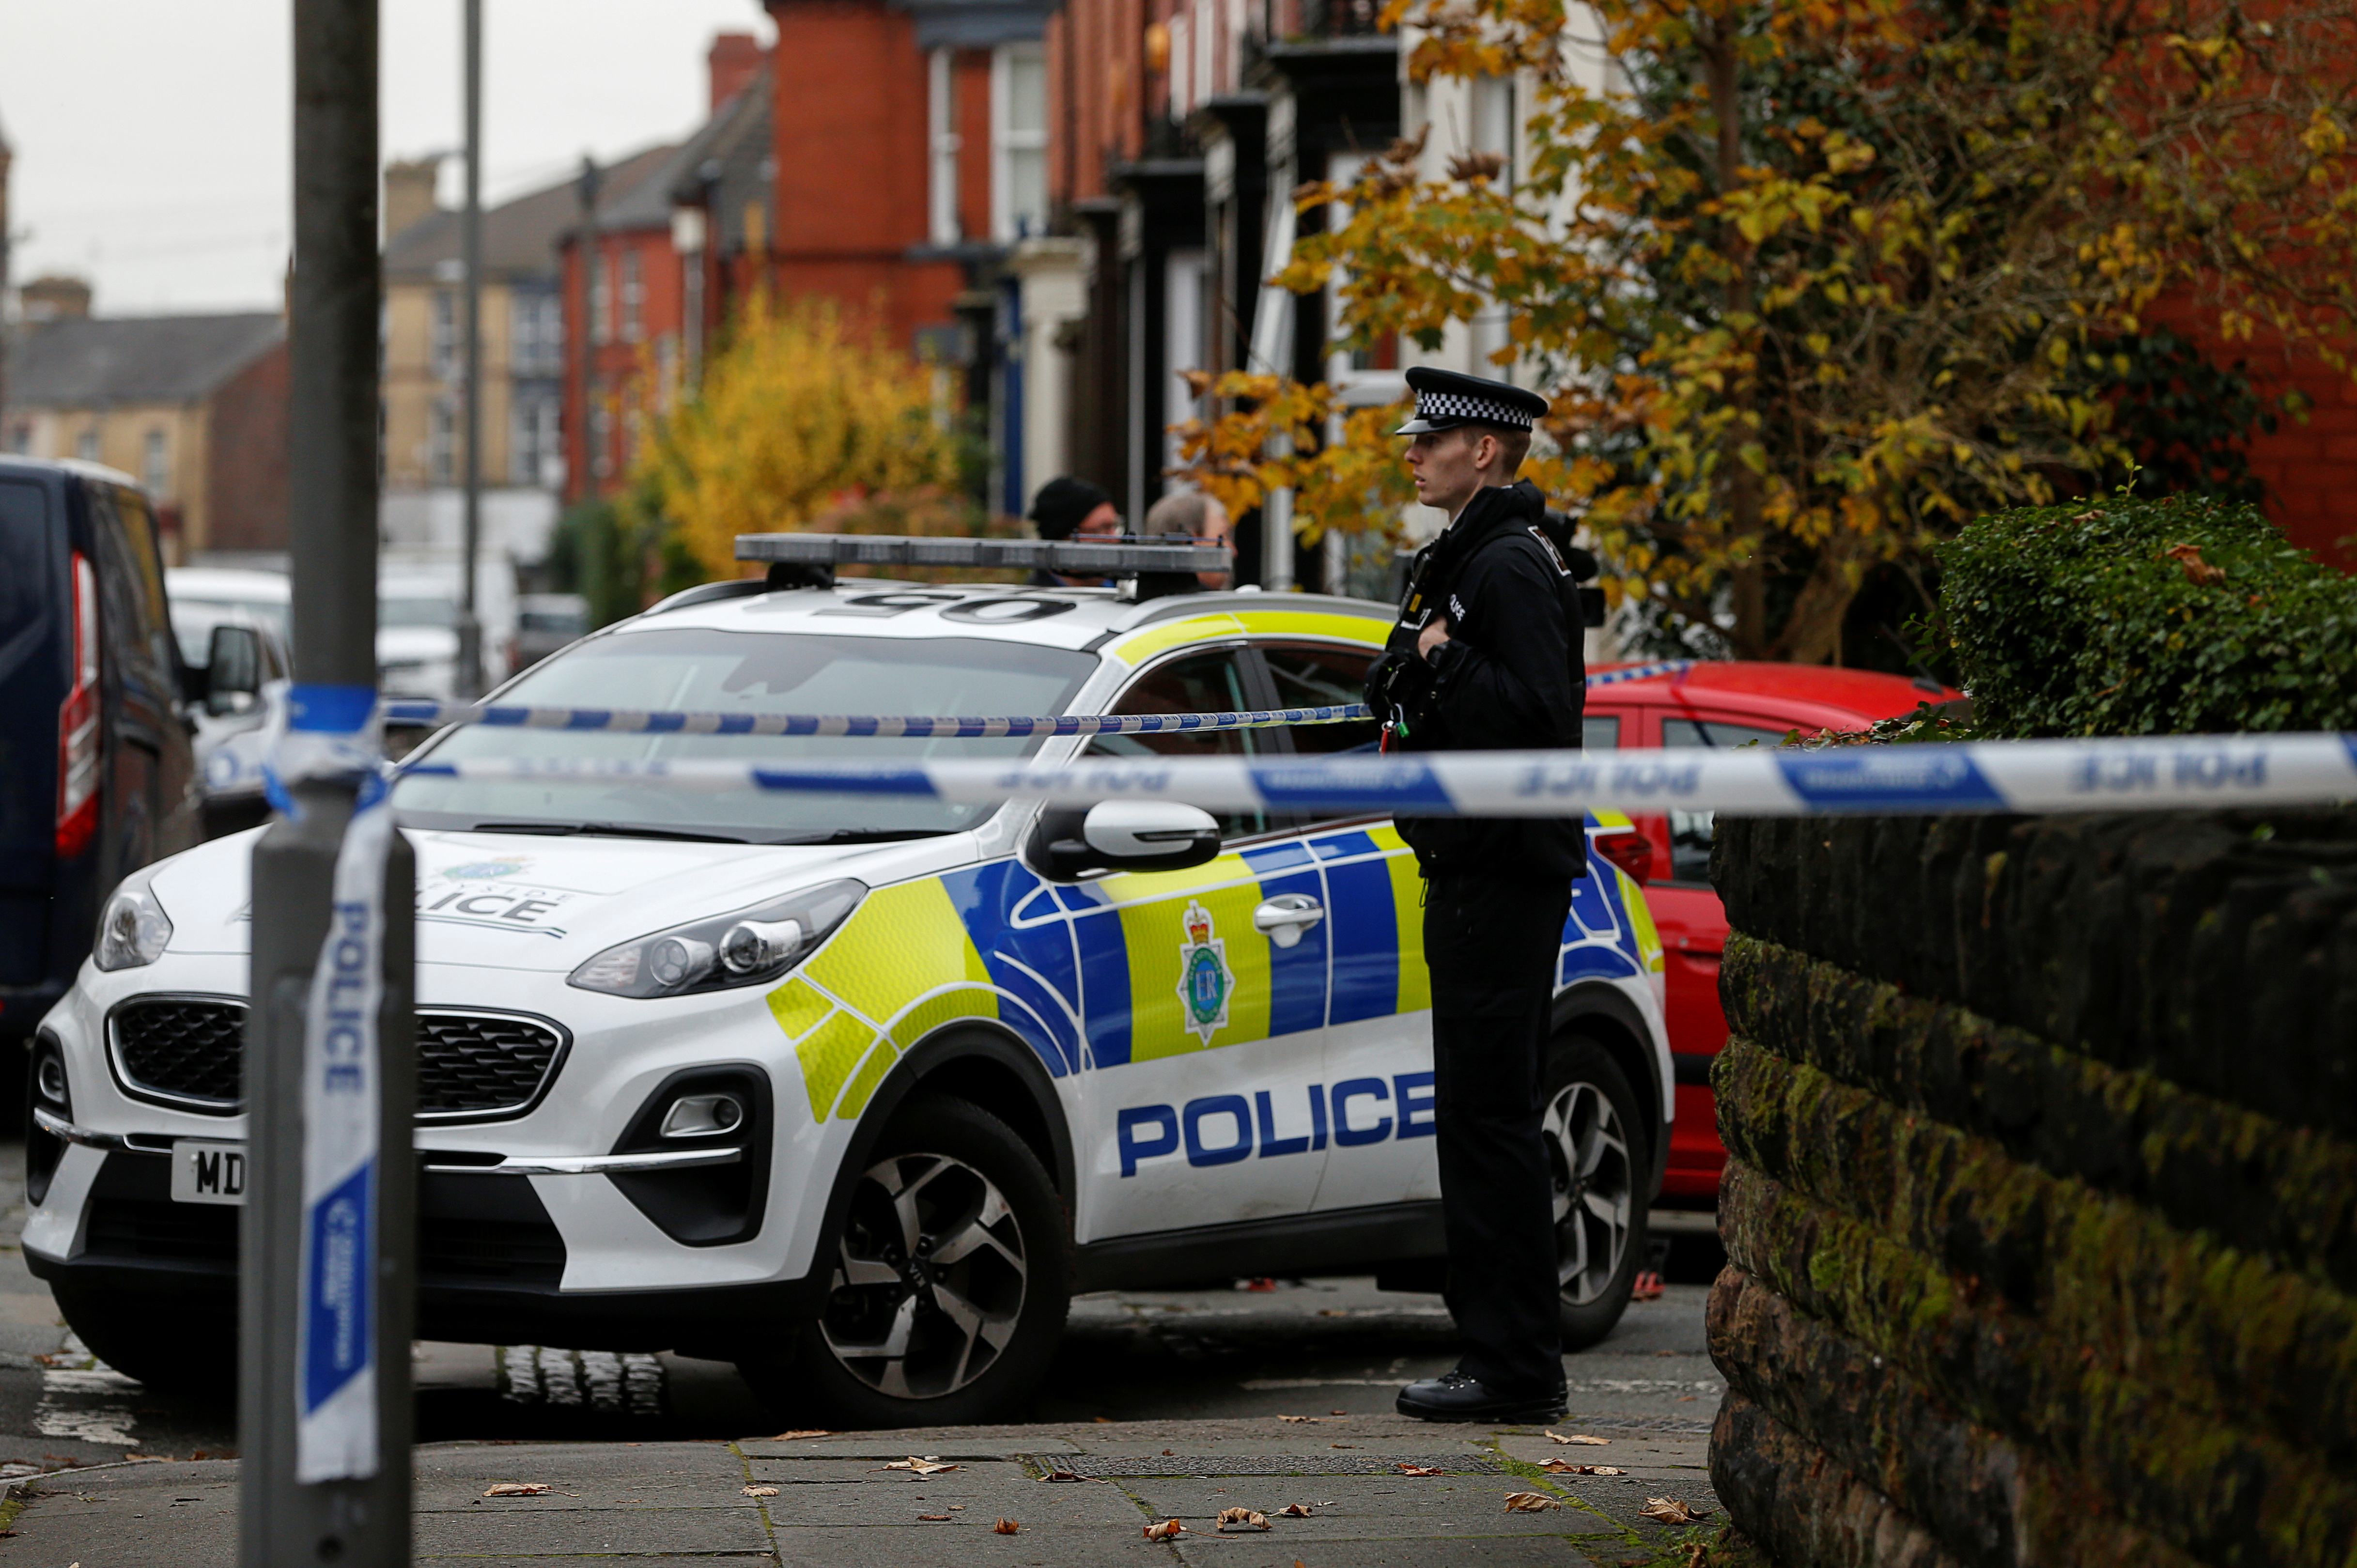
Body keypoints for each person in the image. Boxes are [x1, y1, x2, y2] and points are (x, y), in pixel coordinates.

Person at [1368, 366, 1586, 1425]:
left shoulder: (1507, 564)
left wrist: (1444, 661)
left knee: (1491, 1119)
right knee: (1477, 1114)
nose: (1412, 452)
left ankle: (1511, 1366)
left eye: (1432, 438)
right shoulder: (1461, 557)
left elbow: (1543, 713)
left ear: (1484, 451)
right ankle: (1501, 1354)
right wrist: (1413, 659)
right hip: (1469, 864)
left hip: (1500, 870)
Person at [1026, 477, 1121, 588]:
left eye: (1115, 526)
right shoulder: (1036, 600)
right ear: (1064, 536)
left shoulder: (1126, 592)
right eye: (1102, 529)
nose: (1115, 538)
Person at [1141, 488, 1235, 590]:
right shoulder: (1203, 605)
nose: (1234, 552)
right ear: (1191, 542)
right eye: (1224, 536)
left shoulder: (1136, 601)